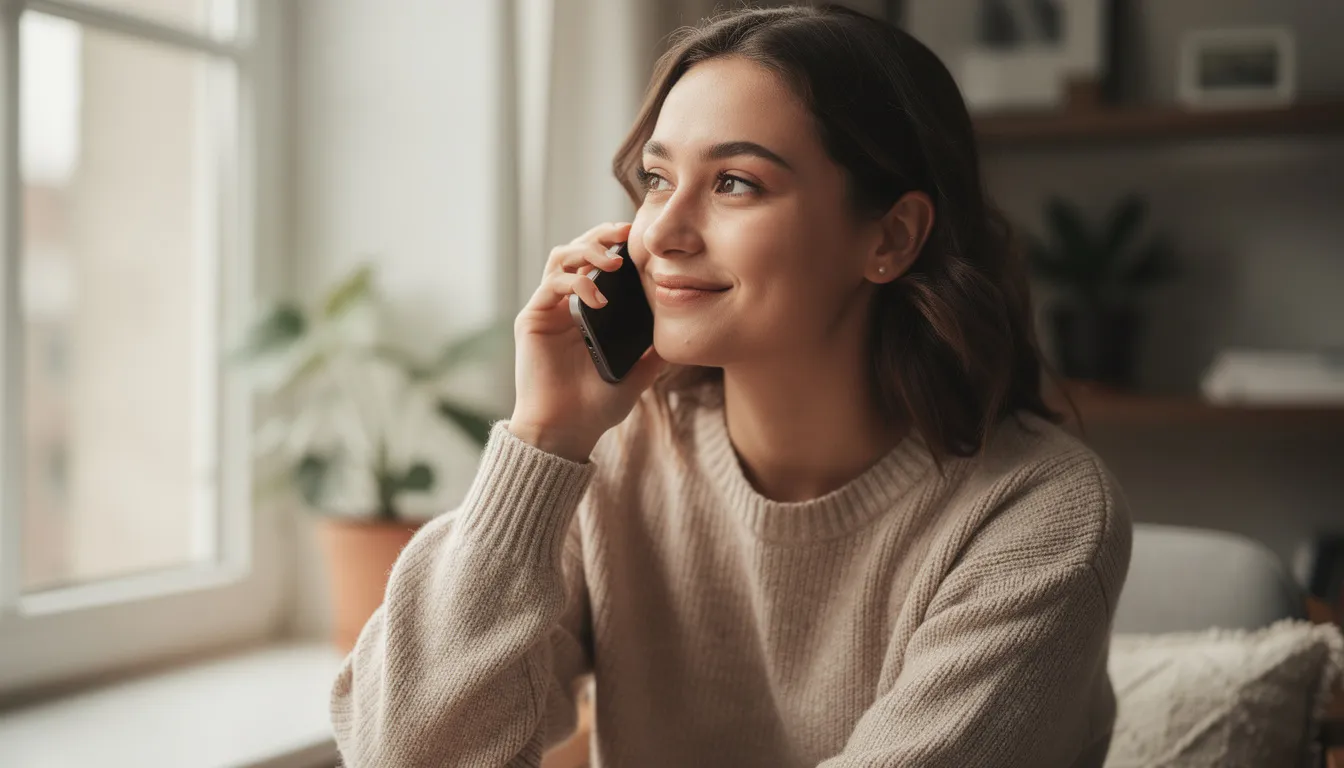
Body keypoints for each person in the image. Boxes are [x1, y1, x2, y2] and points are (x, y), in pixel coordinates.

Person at [330, 5, 1132, 767]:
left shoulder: (1038, 513)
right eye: (655, 179)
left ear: (890, 236)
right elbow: (405, 753)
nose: (663, 233)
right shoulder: (616, 457)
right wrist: (543, 439)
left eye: (735, 183)